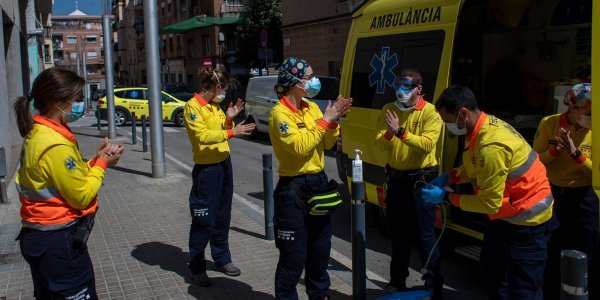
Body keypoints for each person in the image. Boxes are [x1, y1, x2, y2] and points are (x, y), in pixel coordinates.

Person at [423, 85, 557, 299]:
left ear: (463, 113)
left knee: (523, 290)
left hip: (528, 224)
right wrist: (451, 176)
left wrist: (447, 197)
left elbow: (488, 203)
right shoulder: (482, 127)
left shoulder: (491, 146)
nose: (447, 126)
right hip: (505, 218)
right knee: (492, 276)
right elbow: (475, 166)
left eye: (448, 120)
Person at [13, 68, 124, 299]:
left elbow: (66, 176)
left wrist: (95, 161)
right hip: (57, 240)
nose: (79, 103)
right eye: (76, 99)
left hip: (40, 237)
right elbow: (81, 195)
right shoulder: (54, 143)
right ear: (58, 101)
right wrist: (102, 165)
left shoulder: (40, 132)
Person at [269, 57, 352, 300]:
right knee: (293, 258)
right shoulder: (279, 114)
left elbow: (325, 143)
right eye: (309, 77)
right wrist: (326, 120)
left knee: (319, 252)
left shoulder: (312, 107)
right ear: (294, 82)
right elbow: (298, 147)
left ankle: (320, 295)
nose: (314, 81)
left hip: (317, 184)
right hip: (292, 189)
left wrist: (333, 121)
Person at [374, 68, 444, 297]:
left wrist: (400, 131)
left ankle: (433, 284)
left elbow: (426, 144)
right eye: (397, 86)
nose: (400, 91)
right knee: (398, 234)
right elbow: (379, 143)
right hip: (396, 180)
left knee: (424, 235)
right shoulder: (388, 110)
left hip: (420, 181)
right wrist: (389, 134)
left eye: (406, 86)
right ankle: (397, 281)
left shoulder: (431, 113)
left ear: (419, 89)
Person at [183, 66, 256, 287]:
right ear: (216, 87)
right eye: (224, 88)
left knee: (223, 217)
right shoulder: (193, 107)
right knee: (204, 220)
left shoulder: (216, 107)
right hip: (207, 170)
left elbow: (222, 135)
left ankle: (222, 258)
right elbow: (202, 137)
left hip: (224, 165)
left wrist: (229, 120)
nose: (225, 93)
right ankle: (197, 267)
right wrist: (232, 131)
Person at [533, 83, 597, 299]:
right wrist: (554, 151)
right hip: (553, 193)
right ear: (572, 107)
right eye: (589, 113)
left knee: (584, 251)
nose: (592, 117)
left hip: (584, 196)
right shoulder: (549, 124)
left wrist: (575, 153)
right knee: (551, 247)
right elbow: (535, 161)